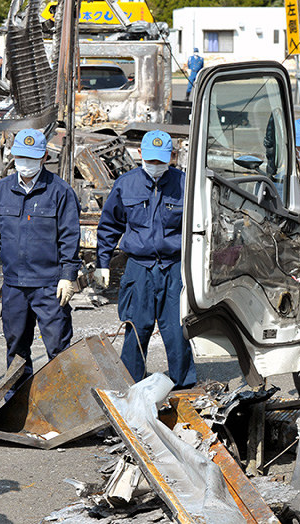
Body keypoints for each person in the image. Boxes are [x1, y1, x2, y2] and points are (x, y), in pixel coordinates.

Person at [0, 129, 81, 397]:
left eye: (31, 157)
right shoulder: (1, 191)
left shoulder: (60, 192)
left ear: (44, 157)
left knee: (58, 347)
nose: (24, 162)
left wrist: (67, 276)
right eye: (20, 156)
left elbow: (70, 238)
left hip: (49, 286)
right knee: (15, 349)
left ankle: (62, 401)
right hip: (14, 287)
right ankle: (17, 402)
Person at [94, 130, 196, 389]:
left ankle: (183, 386)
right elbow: (109, 226)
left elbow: (199, 227)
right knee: (137, 329)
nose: (155, 166)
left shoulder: (185, 184)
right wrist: (103, 263)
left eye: (161, 161)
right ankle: (129, 386)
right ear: (139, 155)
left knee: (177, 331)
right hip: (139, 269)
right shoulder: (126, 185)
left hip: (174, 268)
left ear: (171, 157)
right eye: (150, 161)